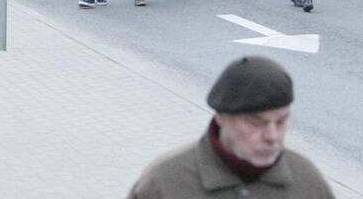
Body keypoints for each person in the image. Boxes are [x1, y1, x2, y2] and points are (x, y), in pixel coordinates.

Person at [127, 55, 333, 199]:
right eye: (256, 122)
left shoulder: (307, 181)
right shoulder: (165, 182)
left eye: (280, 121)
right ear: (221, 117)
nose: (272, 136)